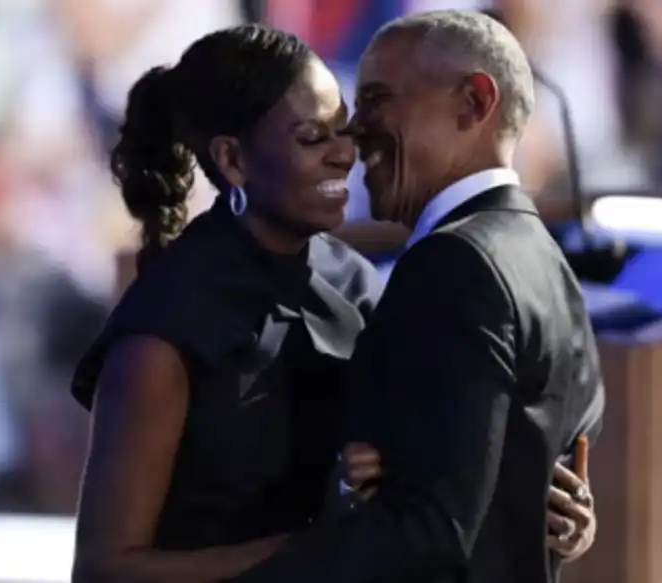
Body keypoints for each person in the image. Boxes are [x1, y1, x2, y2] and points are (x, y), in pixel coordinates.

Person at [70, 23, 597, 583]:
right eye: (312, 138)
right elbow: (106, 570)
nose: (346, 153)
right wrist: (320, 542)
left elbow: (432, 476)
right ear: (232, 160)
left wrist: (547, 510)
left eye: (342, 129)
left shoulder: (359, 283)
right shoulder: (163, 330)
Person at [227, 11, 604, 583]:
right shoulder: (546, 262)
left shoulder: (456, 264)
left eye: (377, 99)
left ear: (474, 102)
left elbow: (430, 534)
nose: (354, 131)